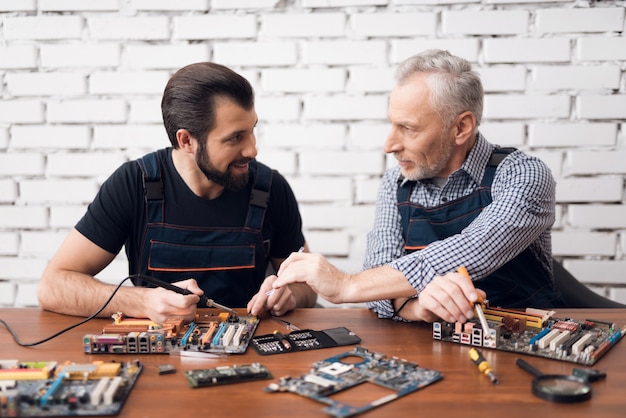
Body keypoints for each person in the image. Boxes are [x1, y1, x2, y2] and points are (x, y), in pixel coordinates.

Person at [273, 49, 564, 324]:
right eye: (392, 125)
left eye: (408, 128)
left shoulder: (524, 175)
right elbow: (377, 284)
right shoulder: (395, 183)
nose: (389, 145)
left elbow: (474, 248)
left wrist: (346, 285)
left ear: (461, 128)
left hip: (528, 340)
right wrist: (419, 308)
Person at [37, 62, 317, 324]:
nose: (252, 150)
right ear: (186, 140)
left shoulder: (269, 189)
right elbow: (53, 286)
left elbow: (306, 287)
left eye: (252, 130)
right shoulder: (134, 184)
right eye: (235, 137)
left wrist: (289, 293)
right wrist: (143, 302)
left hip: (245, 348)